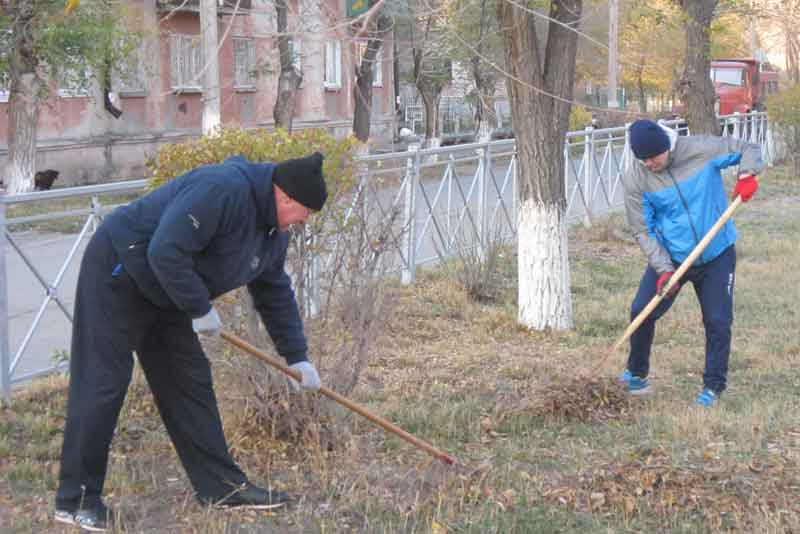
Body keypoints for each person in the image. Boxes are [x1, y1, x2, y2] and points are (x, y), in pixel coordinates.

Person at [54, 152, 328, 531]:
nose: (303, 222)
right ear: (285, 197)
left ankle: (221, 487)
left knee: (189, 384)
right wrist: (199, 308)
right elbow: (165, 249)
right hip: (120, 271)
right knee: (103, 383)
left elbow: (274, 291)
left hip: (168, 291)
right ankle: (76, 499)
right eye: (305, 213)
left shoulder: (271, 233)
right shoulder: (223, 190)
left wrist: (297, 356)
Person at [619, 119, 763, 407]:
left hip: (716, 253)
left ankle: (713, 386)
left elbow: (749, 148)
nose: (649, 163)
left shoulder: (699, 150)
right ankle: (637, 374)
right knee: (641, 311)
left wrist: (747, 174)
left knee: (718, 320)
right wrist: (663, 270)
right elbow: (642, 230)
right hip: (673, 255)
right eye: (643, 159)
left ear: (666, 147)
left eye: (653, 157)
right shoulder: (636, 176)